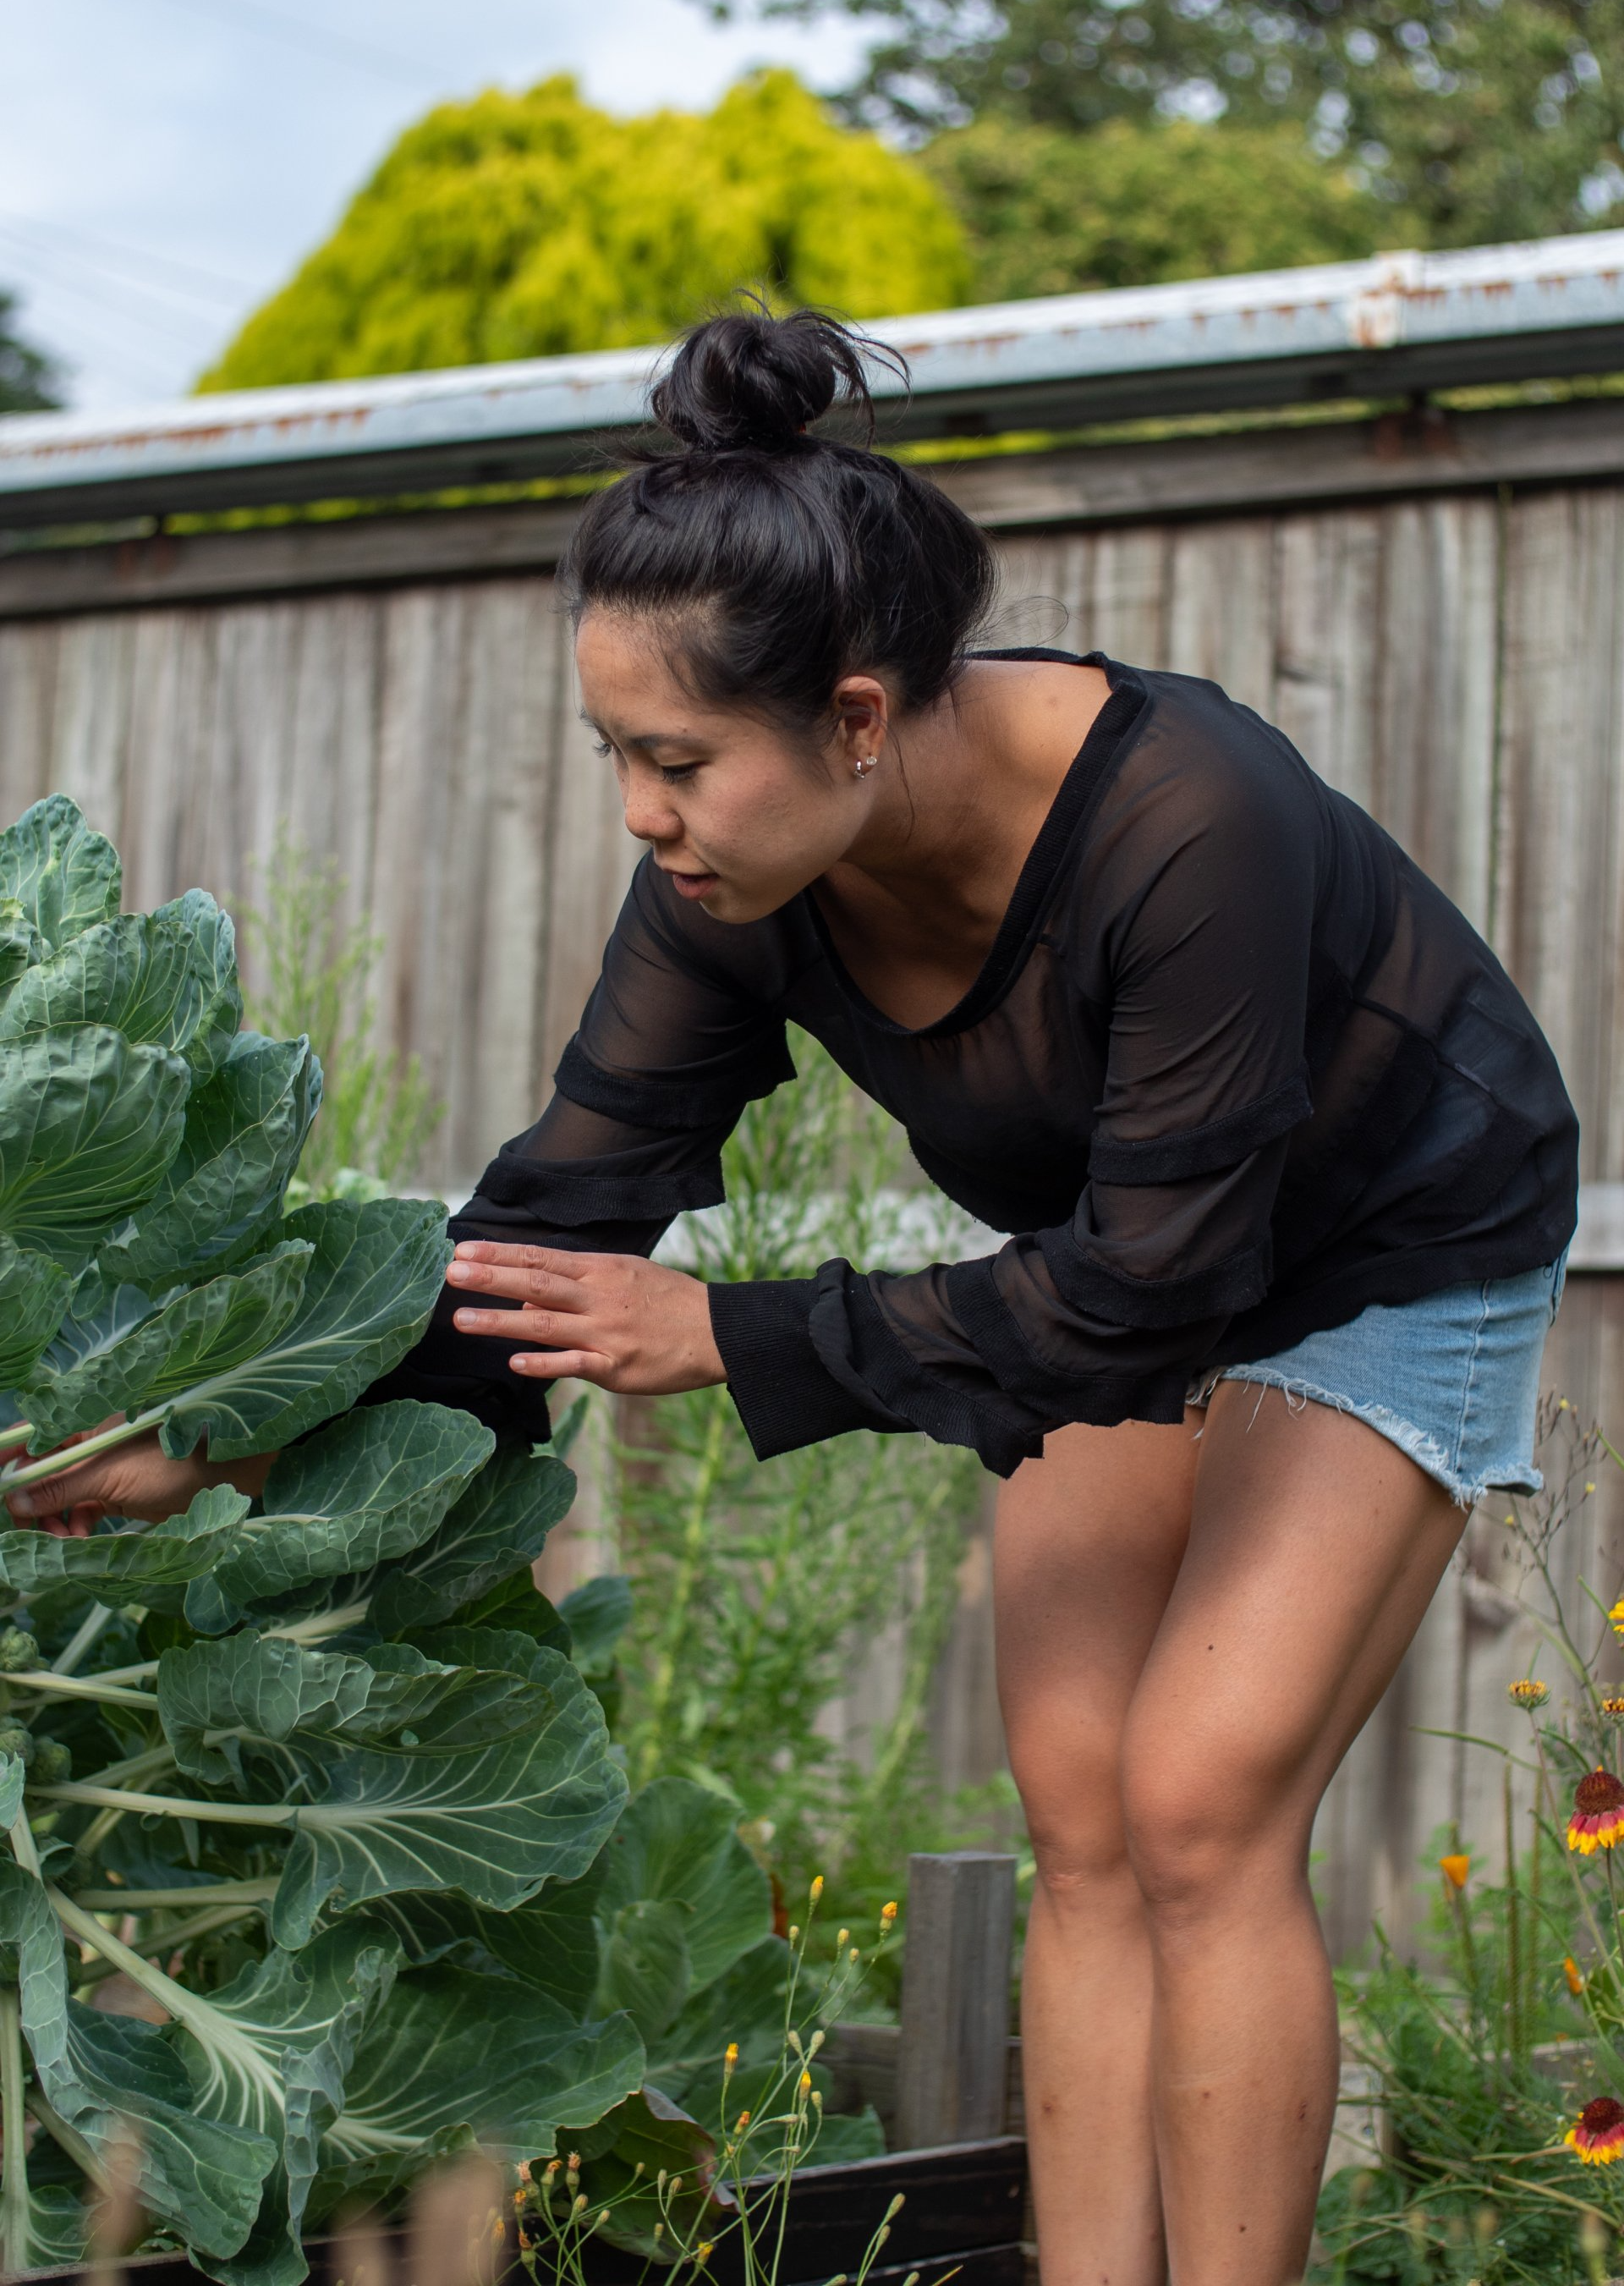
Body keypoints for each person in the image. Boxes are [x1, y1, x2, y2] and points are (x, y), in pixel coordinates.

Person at [8, 309, 1577, 2286]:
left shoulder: (1194, 825)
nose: (642, 816)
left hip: (1387, 1237)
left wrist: (737, 1340)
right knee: (1080, 1810)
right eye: (616, 757)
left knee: (1194, 1803)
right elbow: (560, 1218)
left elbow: (1152, 1287)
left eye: (677, 761)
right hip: (1112, 1257)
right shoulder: (737, 882)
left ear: (854, 715)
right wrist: (230, 1427)